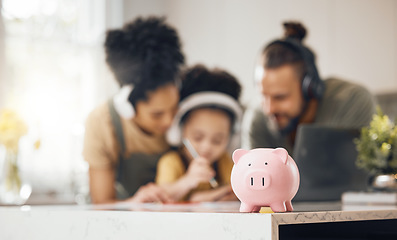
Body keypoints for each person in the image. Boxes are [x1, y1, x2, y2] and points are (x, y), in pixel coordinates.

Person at [83, 17, 185, 204]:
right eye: (157, 114)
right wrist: (136, 203)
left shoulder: (188, 110)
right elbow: (102, 204)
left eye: (174, 108)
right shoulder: (102, 123)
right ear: (127, 105)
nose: (169, 121)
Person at [242, 21, 376, 153]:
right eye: (263, 96)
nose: (269, 109)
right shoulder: (257, 117)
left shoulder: (351, 101)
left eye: (280, 97)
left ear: (310, 88)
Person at [155, 65, 243, 202]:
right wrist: (187, 181)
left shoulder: (224, 162)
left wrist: (200, 198)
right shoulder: (171, 162)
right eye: (197, 137)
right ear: (179, 132)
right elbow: (160, 198)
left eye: (217, 141)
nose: (207, 146)